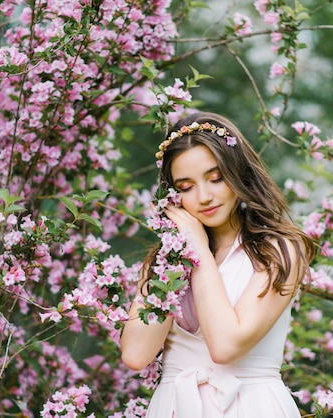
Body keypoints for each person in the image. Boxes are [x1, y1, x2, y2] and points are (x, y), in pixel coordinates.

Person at [120, 112, 315, 417]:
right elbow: (135, 354)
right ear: (171, 196)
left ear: (237, 172)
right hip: (175, 407)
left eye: (215, 178)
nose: (204, 196)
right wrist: (176, 255)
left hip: (251, 405)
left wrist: (198, 249)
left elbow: (225, 347)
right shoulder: (163, 262)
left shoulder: (279, 250)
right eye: (186, 187)